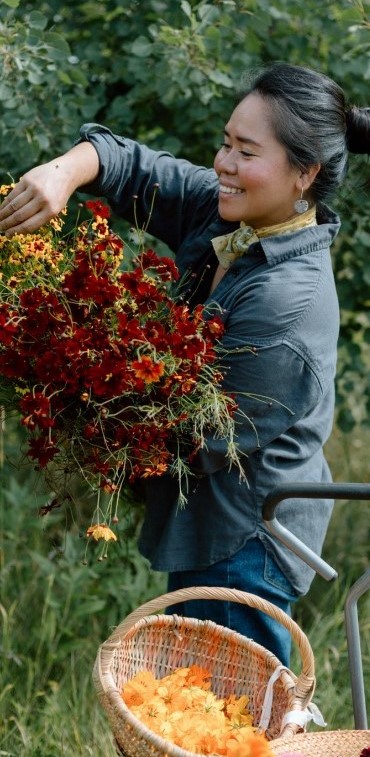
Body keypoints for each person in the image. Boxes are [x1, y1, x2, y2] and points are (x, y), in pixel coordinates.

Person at [0, 63, 369, 666]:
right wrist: (61, 173)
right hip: (215, 521)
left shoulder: (289, 305)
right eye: (225, 142)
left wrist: (73, 380)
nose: (222, 162)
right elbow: (132, 165)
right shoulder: (235, 214)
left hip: (247, 538)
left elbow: (196, 440)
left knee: (227, 723)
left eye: (245, 151)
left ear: (306, 174)